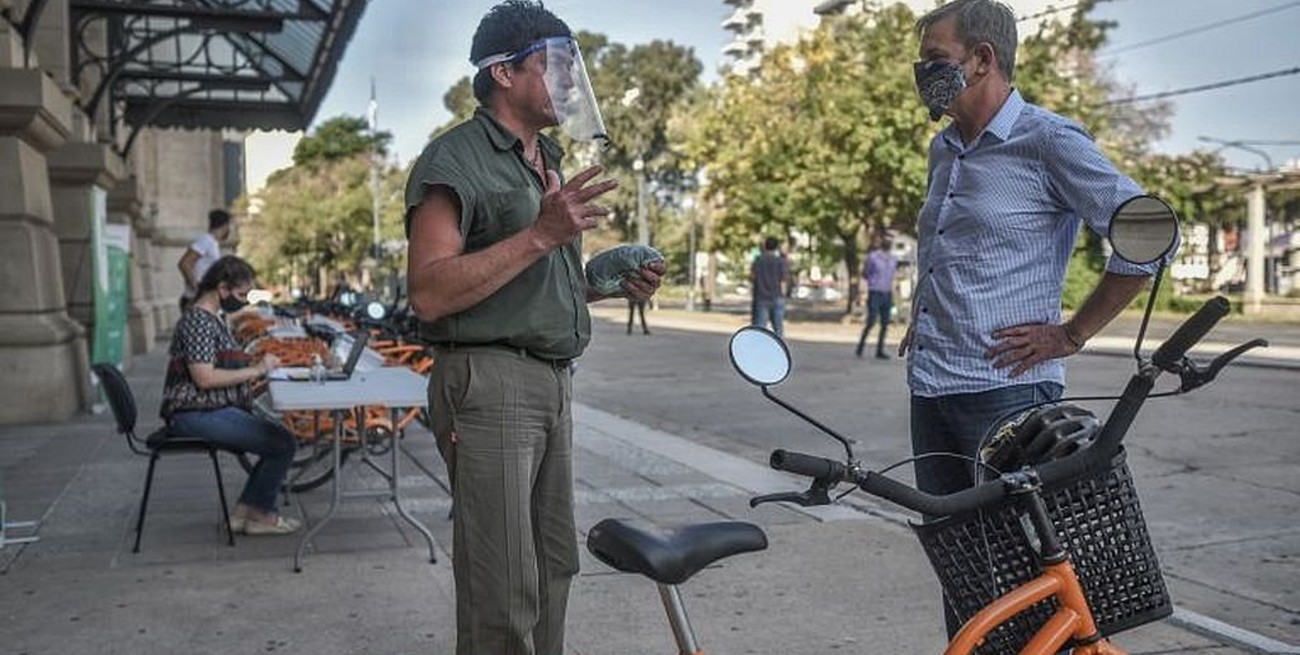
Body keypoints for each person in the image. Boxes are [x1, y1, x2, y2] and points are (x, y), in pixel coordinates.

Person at [402, 2, 664, 653]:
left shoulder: (543, 156)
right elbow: (431, 292)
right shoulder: (455, 159)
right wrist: (542, 233)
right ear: (503, 72)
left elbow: (531, 284)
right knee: (504, 586)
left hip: (549, 382)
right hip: (488, 384)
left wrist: (600, 281)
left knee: (552, 567)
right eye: (554, 65)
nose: (570, 83)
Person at [903, 0, 1169, 635]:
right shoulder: (946, 150)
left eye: (935, 59)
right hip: (933, 387)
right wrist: (928, 313)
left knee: (1028, 574)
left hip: (1008, 392)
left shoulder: (1047, 140)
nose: (922, 74)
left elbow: (1150, 234)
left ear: (982, 60)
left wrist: (1073, 333)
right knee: (963, 570)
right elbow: (954, 250)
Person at [160, 255, 300, 535]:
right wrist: (257, 370)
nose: (243, 300)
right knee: (283, 443)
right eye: (240, 294)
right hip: (193, 412)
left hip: (202, 409)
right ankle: (261, 515)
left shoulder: (210, 316)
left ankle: (244, 513)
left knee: (278, 439)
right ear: (221, 289)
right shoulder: (198, 321)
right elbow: (205, 377)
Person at [177, 209, 233, 312]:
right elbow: (184, 263)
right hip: (195, 299)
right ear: (225, 225)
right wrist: (198, 289)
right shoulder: (206, 240)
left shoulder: (213, 243)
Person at [855, 232, 898, 359]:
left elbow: (893, 277)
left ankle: (880, 350)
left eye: (890, 240)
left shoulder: (893, 259)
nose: (888, 242)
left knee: (885, 323)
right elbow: (865, 273)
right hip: (875, 292)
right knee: (871, 320)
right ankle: (860, 347)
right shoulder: (873, 257)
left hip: (887, 293)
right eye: (886, 239)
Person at [749, 236, 789, 337]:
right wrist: (783, 296)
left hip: (761, 297)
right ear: (776, 247)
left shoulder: (758, 260)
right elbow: (783, 281)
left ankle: (758, 350)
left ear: (765, 246)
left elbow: (751, 277)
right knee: (778, 328)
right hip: (777, 297)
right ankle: (779, 350)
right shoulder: (780, 261)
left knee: (760, 329)